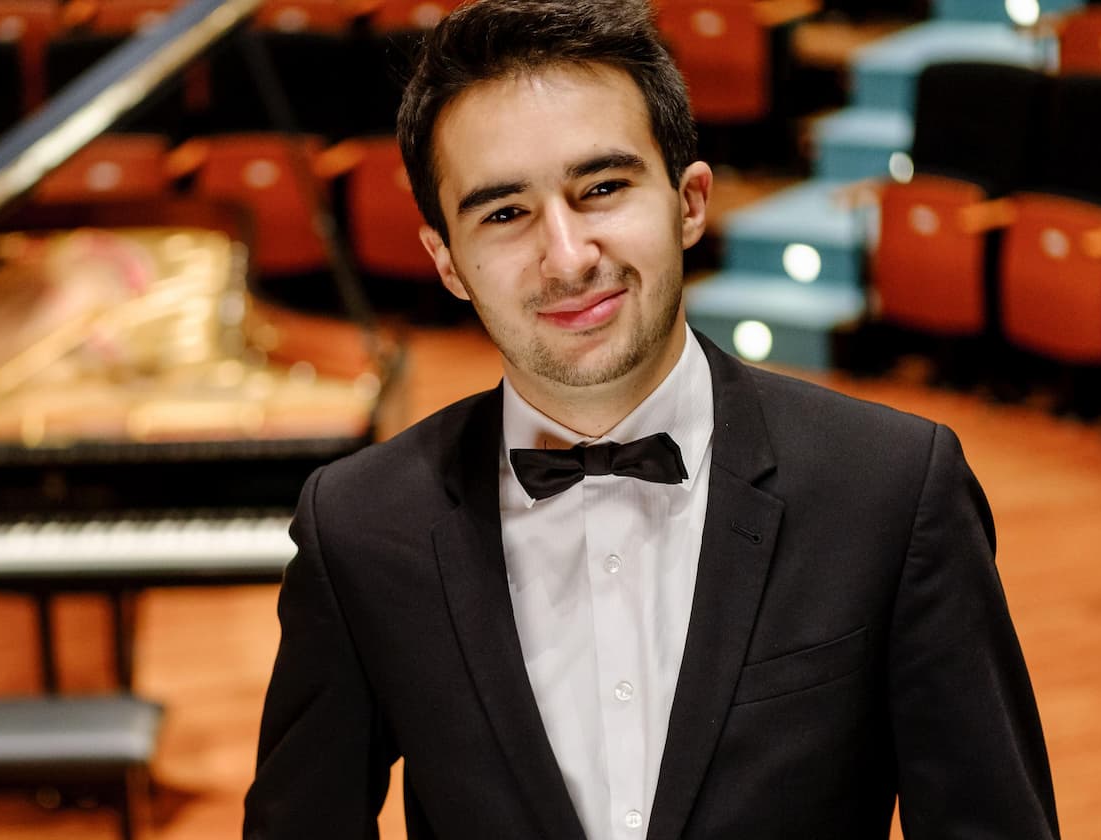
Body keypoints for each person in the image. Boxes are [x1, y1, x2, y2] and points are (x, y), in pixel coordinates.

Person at [244, 0, 1059, 837]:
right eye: (503, 212)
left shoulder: (892, 490)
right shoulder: (360, 528)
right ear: (446, 260)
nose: (567, 257)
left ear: (690, 200)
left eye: (601, 188)